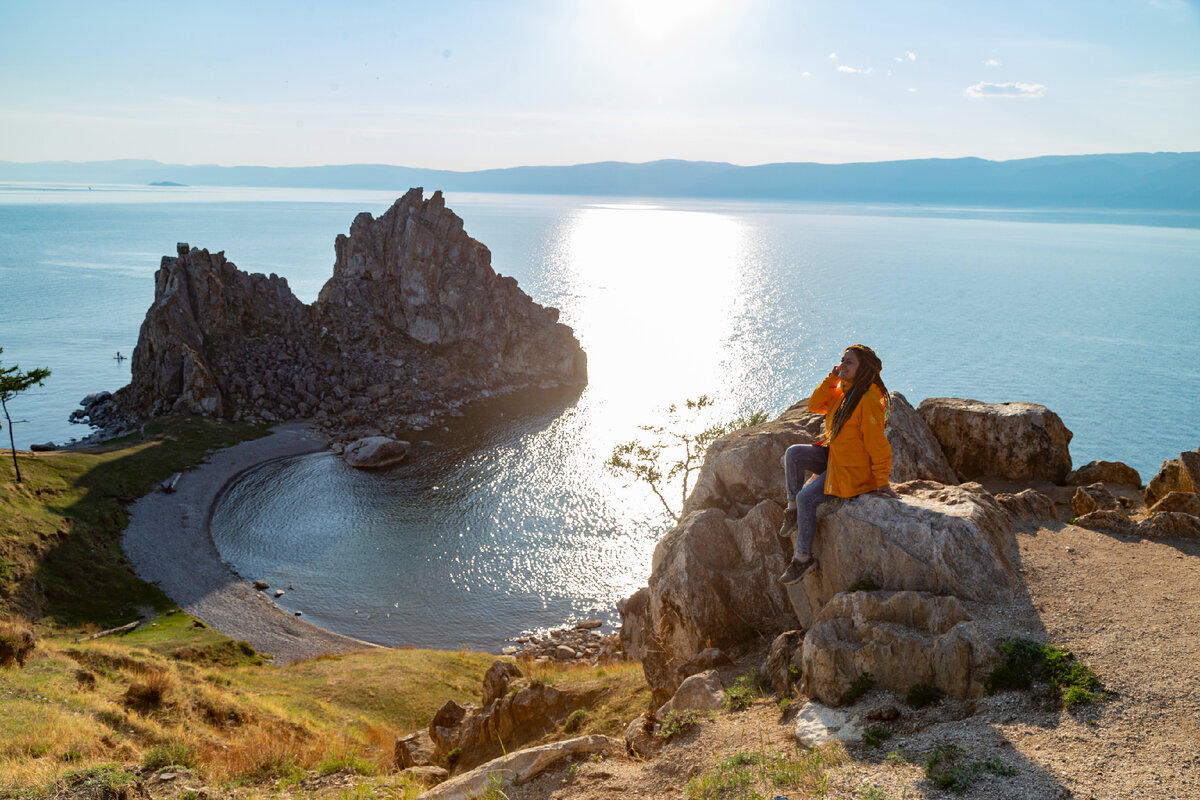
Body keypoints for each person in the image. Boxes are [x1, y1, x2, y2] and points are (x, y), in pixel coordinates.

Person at [778, 344, 898, 585]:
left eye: (849, 363)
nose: (843, 365)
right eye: (842, 360)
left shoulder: (868, 399)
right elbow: (814, 405)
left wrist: (882, 480)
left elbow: (878, 444)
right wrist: (832, 378)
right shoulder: (845, 389)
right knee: (793, 454)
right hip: (835, 457)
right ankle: (792, 511)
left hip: (851, 470)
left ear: (863, 369)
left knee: (807, 498)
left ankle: (803, 559)